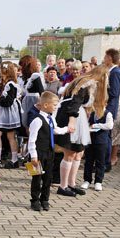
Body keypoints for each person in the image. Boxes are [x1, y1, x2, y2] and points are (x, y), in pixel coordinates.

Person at [56, 66, 108, 196]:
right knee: (70, 153)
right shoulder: (85, 83)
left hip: (79, 117)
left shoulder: (88, 83)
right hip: (72, 116)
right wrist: (71, 122)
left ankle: (71, 184)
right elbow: (75, 102)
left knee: (78, 153)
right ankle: (63, 186)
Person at [28, 92, 67, 211]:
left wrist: (67, 129)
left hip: (49, 152)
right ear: (45, 105)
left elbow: (55, 130)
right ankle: (34, 200)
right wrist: (33, 156)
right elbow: (31, 140)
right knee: (36, 178)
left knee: (48, 177)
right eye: (54, 105)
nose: (56, 107)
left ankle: (45, 199)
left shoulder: (51, 119)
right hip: (37, 153)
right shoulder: (37, 120)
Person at [0, 63, 21, 168]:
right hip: (3, 113)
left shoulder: (11, 84)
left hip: (8, 114)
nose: (0, 72)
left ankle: (14, 159)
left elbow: (8, 102)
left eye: (2, 71)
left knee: (10, 136)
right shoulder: (5, 83)